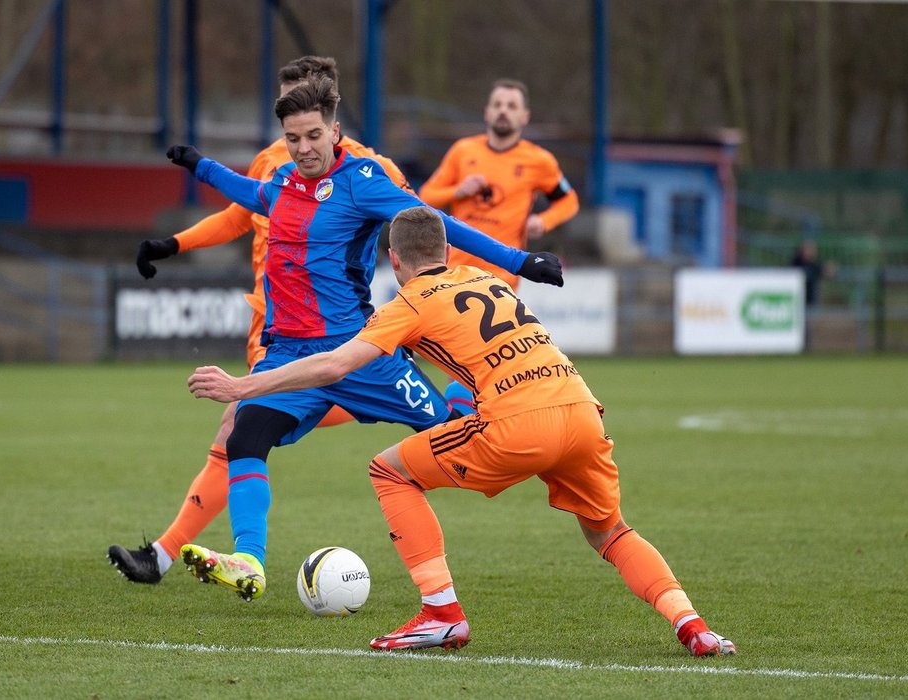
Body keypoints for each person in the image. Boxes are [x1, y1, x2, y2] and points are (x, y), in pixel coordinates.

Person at [187, 206, 736, 656]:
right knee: (610, 532)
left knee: (389, 471)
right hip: (581, 410)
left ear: (395, 261)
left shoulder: (408, 301)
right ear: (448, 253)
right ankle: (692, 626)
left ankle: (441, 613)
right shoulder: (483, 279)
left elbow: (333, 366)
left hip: (518, 423)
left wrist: (242, 387)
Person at [164, 75, 564, 603]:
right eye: (293, 138)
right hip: (291, 355)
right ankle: (249, 560)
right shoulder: (282, 183)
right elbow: (250, 193)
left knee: (459, 436)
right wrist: (200, 166)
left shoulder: (362, 181)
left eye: (312, 135)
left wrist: (519, 261)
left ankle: (550, 454)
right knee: (243, 436)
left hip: (361, 354)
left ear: (335, 132)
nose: (303, 148)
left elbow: (435, 219)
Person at [107, 57, 424, 585]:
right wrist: (175, 243)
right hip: (275, 327)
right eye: (285, 108)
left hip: (337, 330)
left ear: (328, 106)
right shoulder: (272, 163)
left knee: (242, 424)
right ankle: (180, 555)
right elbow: (238, 216)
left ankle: (173, 555)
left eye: (304, 105)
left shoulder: (370, 168)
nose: (296, 132)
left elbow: (416, 233)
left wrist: (419, 315)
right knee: (242, 429)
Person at [418, 78, 580, 292]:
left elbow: (570, 201)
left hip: (503, 276)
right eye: (497, 104)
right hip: (454, 272)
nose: (503, 110)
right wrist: (458, 191)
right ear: (487, 112)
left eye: (511, 106)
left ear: (525, 117)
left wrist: (543, 221)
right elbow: (425, 196)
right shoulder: (463, 151)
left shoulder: (539, 161)